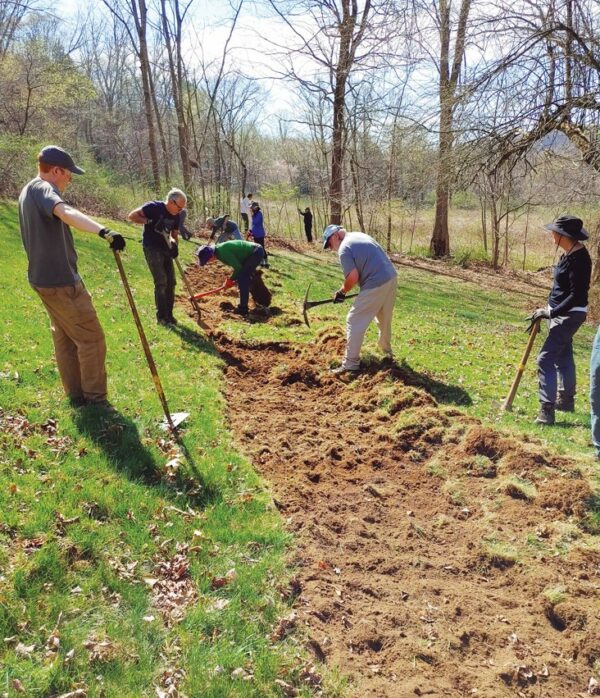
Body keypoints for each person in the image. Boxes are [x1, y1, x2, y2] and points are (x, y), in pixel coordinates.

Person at [18, 145, 126, 406]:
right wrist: (105, 231)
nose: (70, 179)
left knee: (65, 338)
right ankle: (96, 401)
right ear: (55, 170)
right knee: (92, 339)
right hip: (61, 282)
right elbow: (65, 212)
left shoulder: (26, 191)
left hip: (42, 280)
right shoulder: (43, 189)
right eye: (68, 173)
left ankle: (76, 395)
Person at [527, 215, 591, 425]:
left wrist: (552, 313)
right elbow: (561, 290)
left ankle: (547, 411)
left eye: (554, 231)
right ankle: (565, 400)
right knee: (563, 354)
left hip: (570, 315)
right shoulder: (568, 254)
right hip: (560, 312)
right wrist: (547, 308)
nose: (551, 234)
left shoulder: (579, 260)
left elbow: (577, 296)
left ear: (564, 236)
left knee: (544, 359)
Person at [322, 224, 398, 375]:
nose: (331, 249)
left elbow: (353, 277)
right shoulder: (359, 235)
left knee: (354, 319)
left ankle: (350, 364)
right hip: (391, 277)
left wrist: (342, 292)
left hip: (376, 281)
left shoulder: (344, 248)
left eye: (330, 244)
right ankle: (386, 353)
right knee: (384, 317)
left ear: (335, 236)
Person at [128, 188, 187, 326]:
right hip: (152, 247)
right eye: (179, 208)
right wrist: (149, 221)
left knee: (171, 282)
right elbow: (132, 216)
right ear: (172, 202)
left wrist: (174, 247)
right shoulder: (154, 207)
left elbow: (174, 235)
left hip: (166, 249)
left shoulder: (176, 215)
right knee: (161, 281)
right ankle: (161, 317)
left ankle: (169, 315)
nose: (180, 211)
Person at [196, 240, 265, 316]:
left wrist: (230, 280)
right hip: (252, 252)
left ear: (211, 255)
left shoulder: (222, 252)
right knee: (243, 277)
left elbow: (238, 268)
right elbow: (238, 265)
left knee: (242, 277)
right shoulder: (219, 251)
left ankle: (243, 308)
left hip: (255, 252)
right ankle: (261, 300)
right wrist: (232, 280)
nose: (208, 262)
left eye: (207, 260)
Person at [249, 200, 269, 268]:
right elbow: (252, 224)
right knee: (257, 248)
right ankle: (261, 262)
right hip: (255, 233)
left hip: (259, 233)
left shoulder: (259, 213)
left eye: (252, 207)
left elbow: (255, 222)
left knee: (262, 247)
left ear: (256, 207)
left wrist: (253, 215)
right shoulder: (255, 213)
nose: (251, 208)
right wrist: (251, 230)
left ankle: (266, 263)